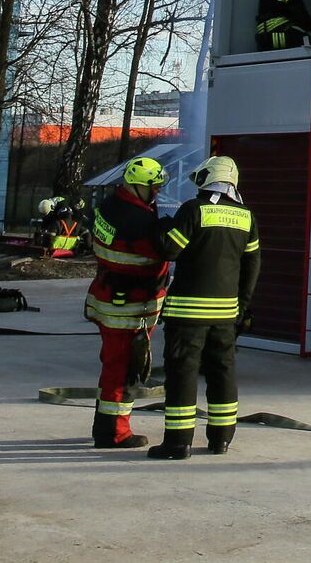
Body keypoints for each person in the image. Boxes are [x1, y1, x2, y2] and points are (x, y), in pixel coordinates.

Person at [150, 156, 260, 459]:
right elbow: (252, 266)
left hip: (187, 313)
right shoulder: (246, 216)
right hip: (225, 314)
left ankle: (178, 443)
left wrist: (162, 225)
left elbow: (169, 249)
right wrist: (242, 308)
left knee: (183, 373)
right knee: (223, 372)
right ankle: (221, 439)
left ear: (207, 178)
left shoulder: (193, 210)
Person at [85, 156, 171, 449]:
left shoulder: (109, 206)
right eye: (154, 187)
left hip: (108, 296)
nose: (157, 192)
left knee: (112, 365)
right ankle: (115, 433)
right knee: (125, 368)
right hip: (130, 305)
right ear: (136, 186)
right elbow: (163, 250)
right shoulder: (137, 221)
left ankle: (103, 426)